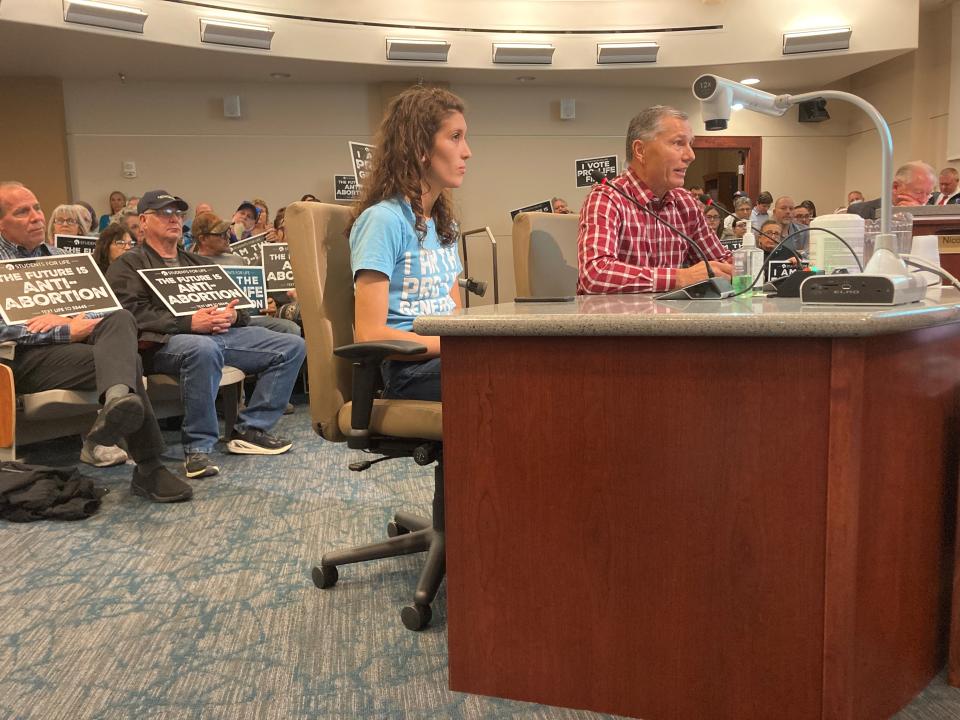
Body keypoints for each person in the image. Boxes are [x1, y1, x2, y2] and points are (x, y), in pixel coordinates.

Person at [0, 181, 193, 502]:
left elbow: (106, 307)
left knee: (120, 319)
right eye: (22, 212)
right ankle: (149, 467)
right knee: (127, 362)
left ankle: (118, 401)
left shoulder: (63, 257)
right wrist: (63, 330)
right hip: (23, 359)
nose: (36, 217)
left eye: (36, 208)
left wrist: (69, 322)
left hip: (78, 350)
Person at [106, 190, 306, 478]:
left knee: (291, 345)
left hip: (218, 335)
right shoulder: (128, 265)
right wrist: (189, 323)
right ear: (143, 221)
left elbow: (242, 311)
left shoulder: (197, 263)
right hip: (163, 344)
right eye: (164, 213)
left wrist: (233, 315)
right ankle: (198, 448)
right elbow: (130, 315)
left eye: (177, 214)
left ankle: (250, 429)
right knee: (203, 349)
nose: (173, 219)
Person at [347, 87, 469, 403]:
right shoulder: (383, 220)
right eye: (455, 137)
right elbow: (369, 334)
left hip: (446, 358)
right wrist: (459, 344)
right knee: (512, 371)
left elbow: (454, 314)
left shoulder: (445, 225)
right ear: (421, 149)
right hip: (407, 371)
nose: (466, 151)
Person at [577, 105, 732, 294]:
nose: (691, 155)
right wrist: (680, 277)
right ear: (640, 150)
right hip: (617, 321)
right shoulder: (607, 198)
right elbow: (595, 274)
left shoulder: (686, 202)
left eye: (690, 144)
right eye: (678, 143)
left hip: (671, 319)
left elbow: (721, 262)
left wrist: (750, 264)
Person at [846, 161, 936, 220]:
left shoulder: (934, 215)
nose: (923, 200)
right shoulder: (859, 211)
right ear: (895, 187)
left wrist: (917, 215)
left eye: (928, 194)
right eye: (918, 192)